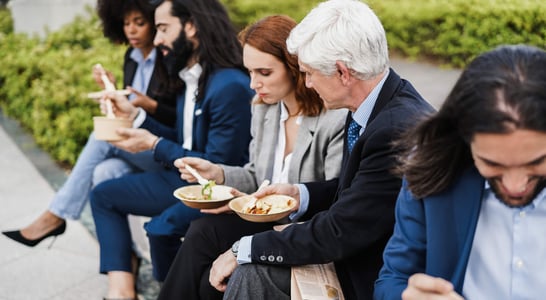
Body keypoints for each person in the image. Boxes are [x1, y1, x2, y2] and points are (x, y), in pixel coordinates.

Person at [206, 1, 435, 299]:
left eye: (309, 73)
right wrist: (300, 194)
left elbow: (342, 230)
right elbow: (356, 192)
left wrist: (246, 249)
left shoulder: (393, 129)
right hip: (357, 249)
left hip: (373, 276)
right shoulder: (374, 104)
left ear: (343, 72)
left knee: (251, 270)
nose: (308, 84)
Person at [156, 14, 347, 300]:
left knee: (207, 277)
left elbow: (335, 199)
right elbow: (257, 175)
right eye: (250, 72)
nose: (253, 84)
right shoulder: (265, 108)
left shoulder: (333, 119)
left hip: (301, 230)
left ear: (295, 67)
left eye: (264, 73)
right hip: (263, 220)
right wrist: (217, 174)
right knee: (201, 232)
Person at [89, 0, 254, 298]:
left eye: (163, 28)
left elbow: (218, 169)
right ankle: (122, 290)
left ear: (191, 25)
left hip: (214, 189)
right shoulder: (190, 77)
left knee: (160, 230)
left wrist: (152, 143)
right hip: (181, 179)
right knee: (102, 195)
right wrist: (136, 117)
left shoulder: (229, 85)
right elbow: (184, 140)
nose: (157, 39)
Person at [374, 44, 546, 300]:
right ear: (465, 140)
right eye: (493, 165)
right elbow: (392, 281)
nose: (515, 185)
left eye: (536, 163)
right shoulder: (431, 175)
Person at [2, 0, 177, 248]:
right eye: (126, 24)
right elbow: (130, 105)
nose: (132, 30)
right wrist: (111, 87)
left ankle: (55, 216)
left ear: (154, 23)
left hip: (162, 148)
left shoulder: (168, 58)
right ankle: (127, 259)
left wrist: (150, 106)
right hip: (135, 144)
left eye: (140, 23)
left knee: (102, 135)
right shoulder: (131, 57)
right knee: (103, 173)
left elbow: (178, 118)